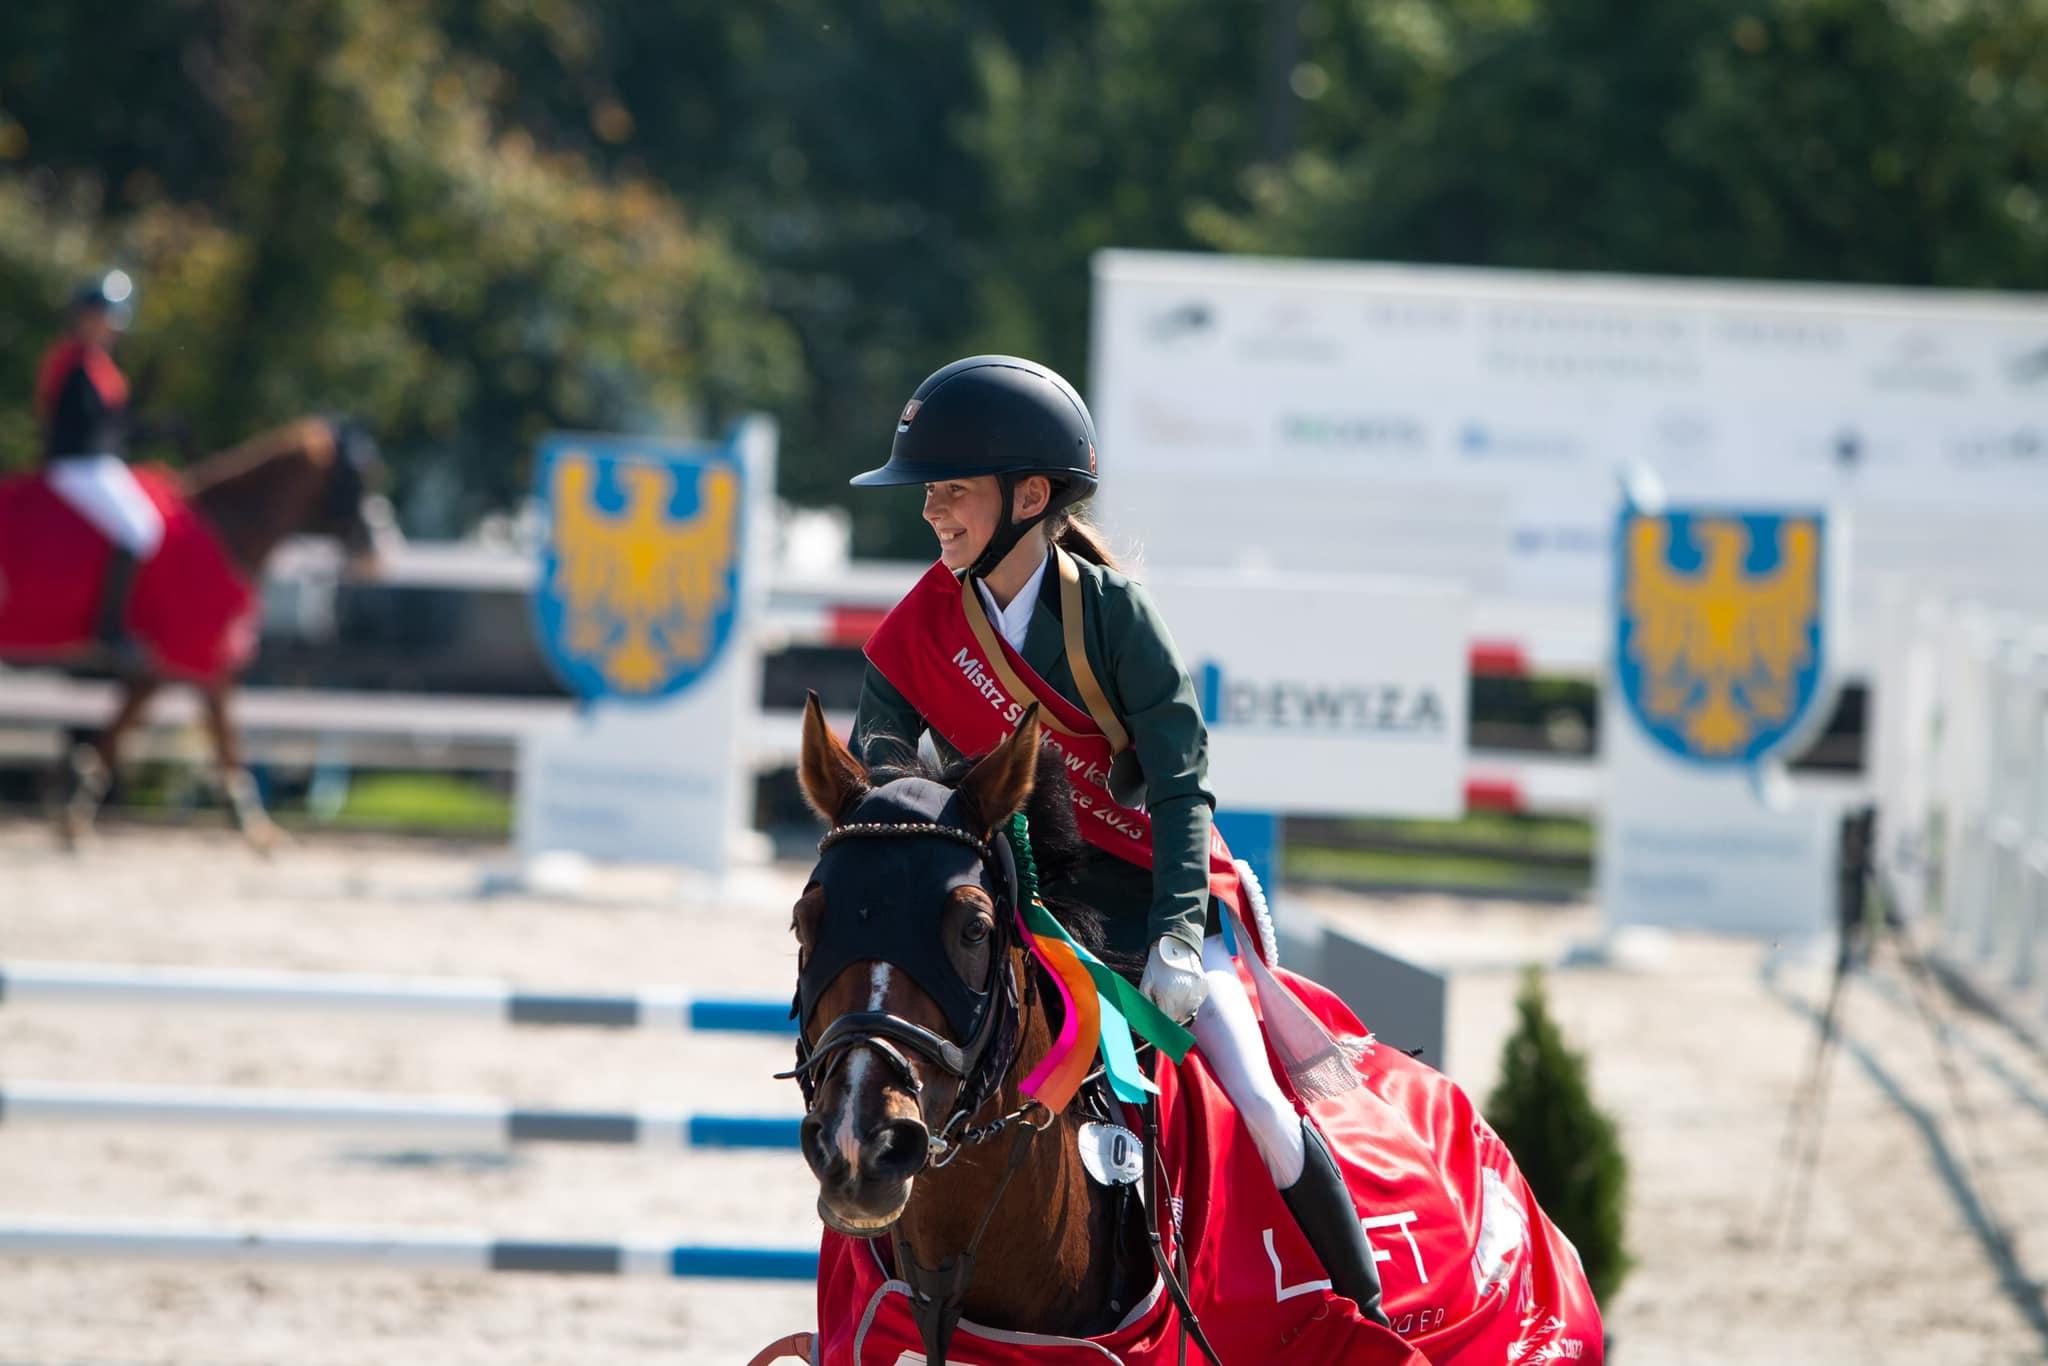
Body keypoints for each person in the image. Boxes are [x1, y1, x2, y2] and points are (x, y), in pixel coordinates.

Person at [850, 354, 1387, 1324]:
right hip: (1021, 900)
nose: (932, 513)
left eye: (951, 492)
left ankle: (1363, 1309)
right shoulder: (916, 630)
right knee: (883, 1086)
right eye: (928, 494)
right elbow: (880, 783)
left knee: (1258, 1103)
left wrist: (1181, 935)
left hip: (1155, 895)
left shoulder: (1113, 617)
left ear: (1029, 495)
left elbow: (1183, 788)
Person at [34, 270, 159, 673]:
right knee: (139, 528)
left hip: (97, 463)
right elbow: (80, 424)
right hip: (77, 465)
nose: (107, 326)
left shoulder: (97, 364)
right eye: (100, 316)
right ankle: (110, 627)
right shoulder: (72, 360)